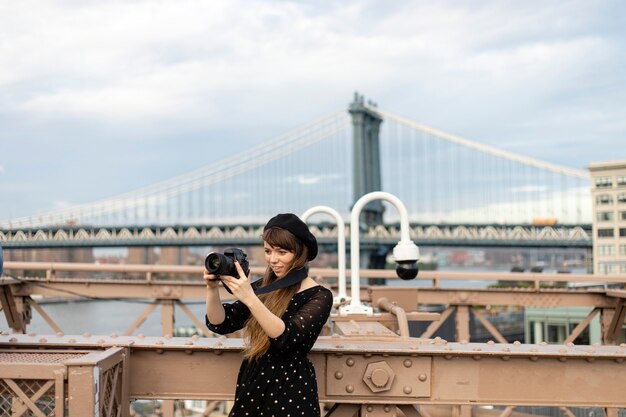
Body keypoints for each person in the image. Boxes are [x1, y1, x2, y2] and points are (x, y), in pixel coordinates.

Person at [204, 213, 333, 417]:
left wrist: (250, 297)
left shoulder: (319, 296)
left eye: (282, 252)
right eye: (268, 251)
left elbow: (287, 337)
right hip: (254, 380)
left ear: (300, 253)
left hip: (291, 388)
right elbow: (221, 323)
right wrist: (212, 289)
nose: (273, 260)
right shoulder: (263, 287)